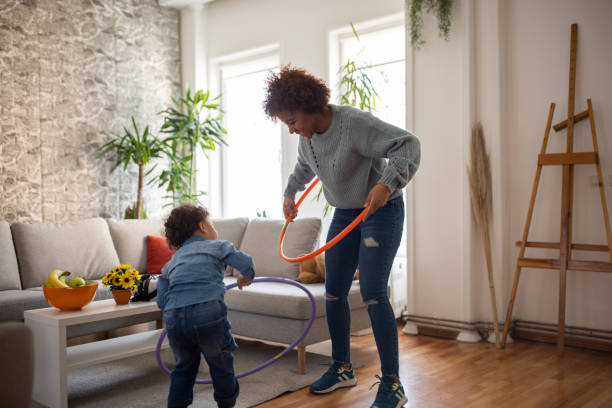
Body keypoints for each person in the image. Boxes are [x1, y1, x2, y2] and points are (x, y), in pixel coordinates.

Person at [263, 65, 420, 408]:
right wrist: (290, 192)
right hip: (345, 213)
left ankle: (393, 384)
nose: (292, 130)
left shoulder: (353, 124)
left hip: (380, 211)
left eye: (292, 121)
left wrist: (386, 183)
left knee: (374, 293)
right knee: (333, 292)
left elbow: (408, 145)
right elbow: (305, 167)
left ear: (308, 105)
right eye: (287, 124)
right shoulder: (307, 140)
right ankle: (342, 367)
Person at [156, 203, 255, 408]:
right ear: (202, 226)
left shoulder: (172, 262)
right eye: (211, 223)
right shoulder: (218, 246)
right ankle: (226, 404)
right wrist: (247, 276)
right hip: (207, 312)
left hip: (174, 318)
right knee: (220, 363)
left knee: (183, 368)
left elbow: (161, 301)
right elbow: (246, 264)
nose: (213, 228)